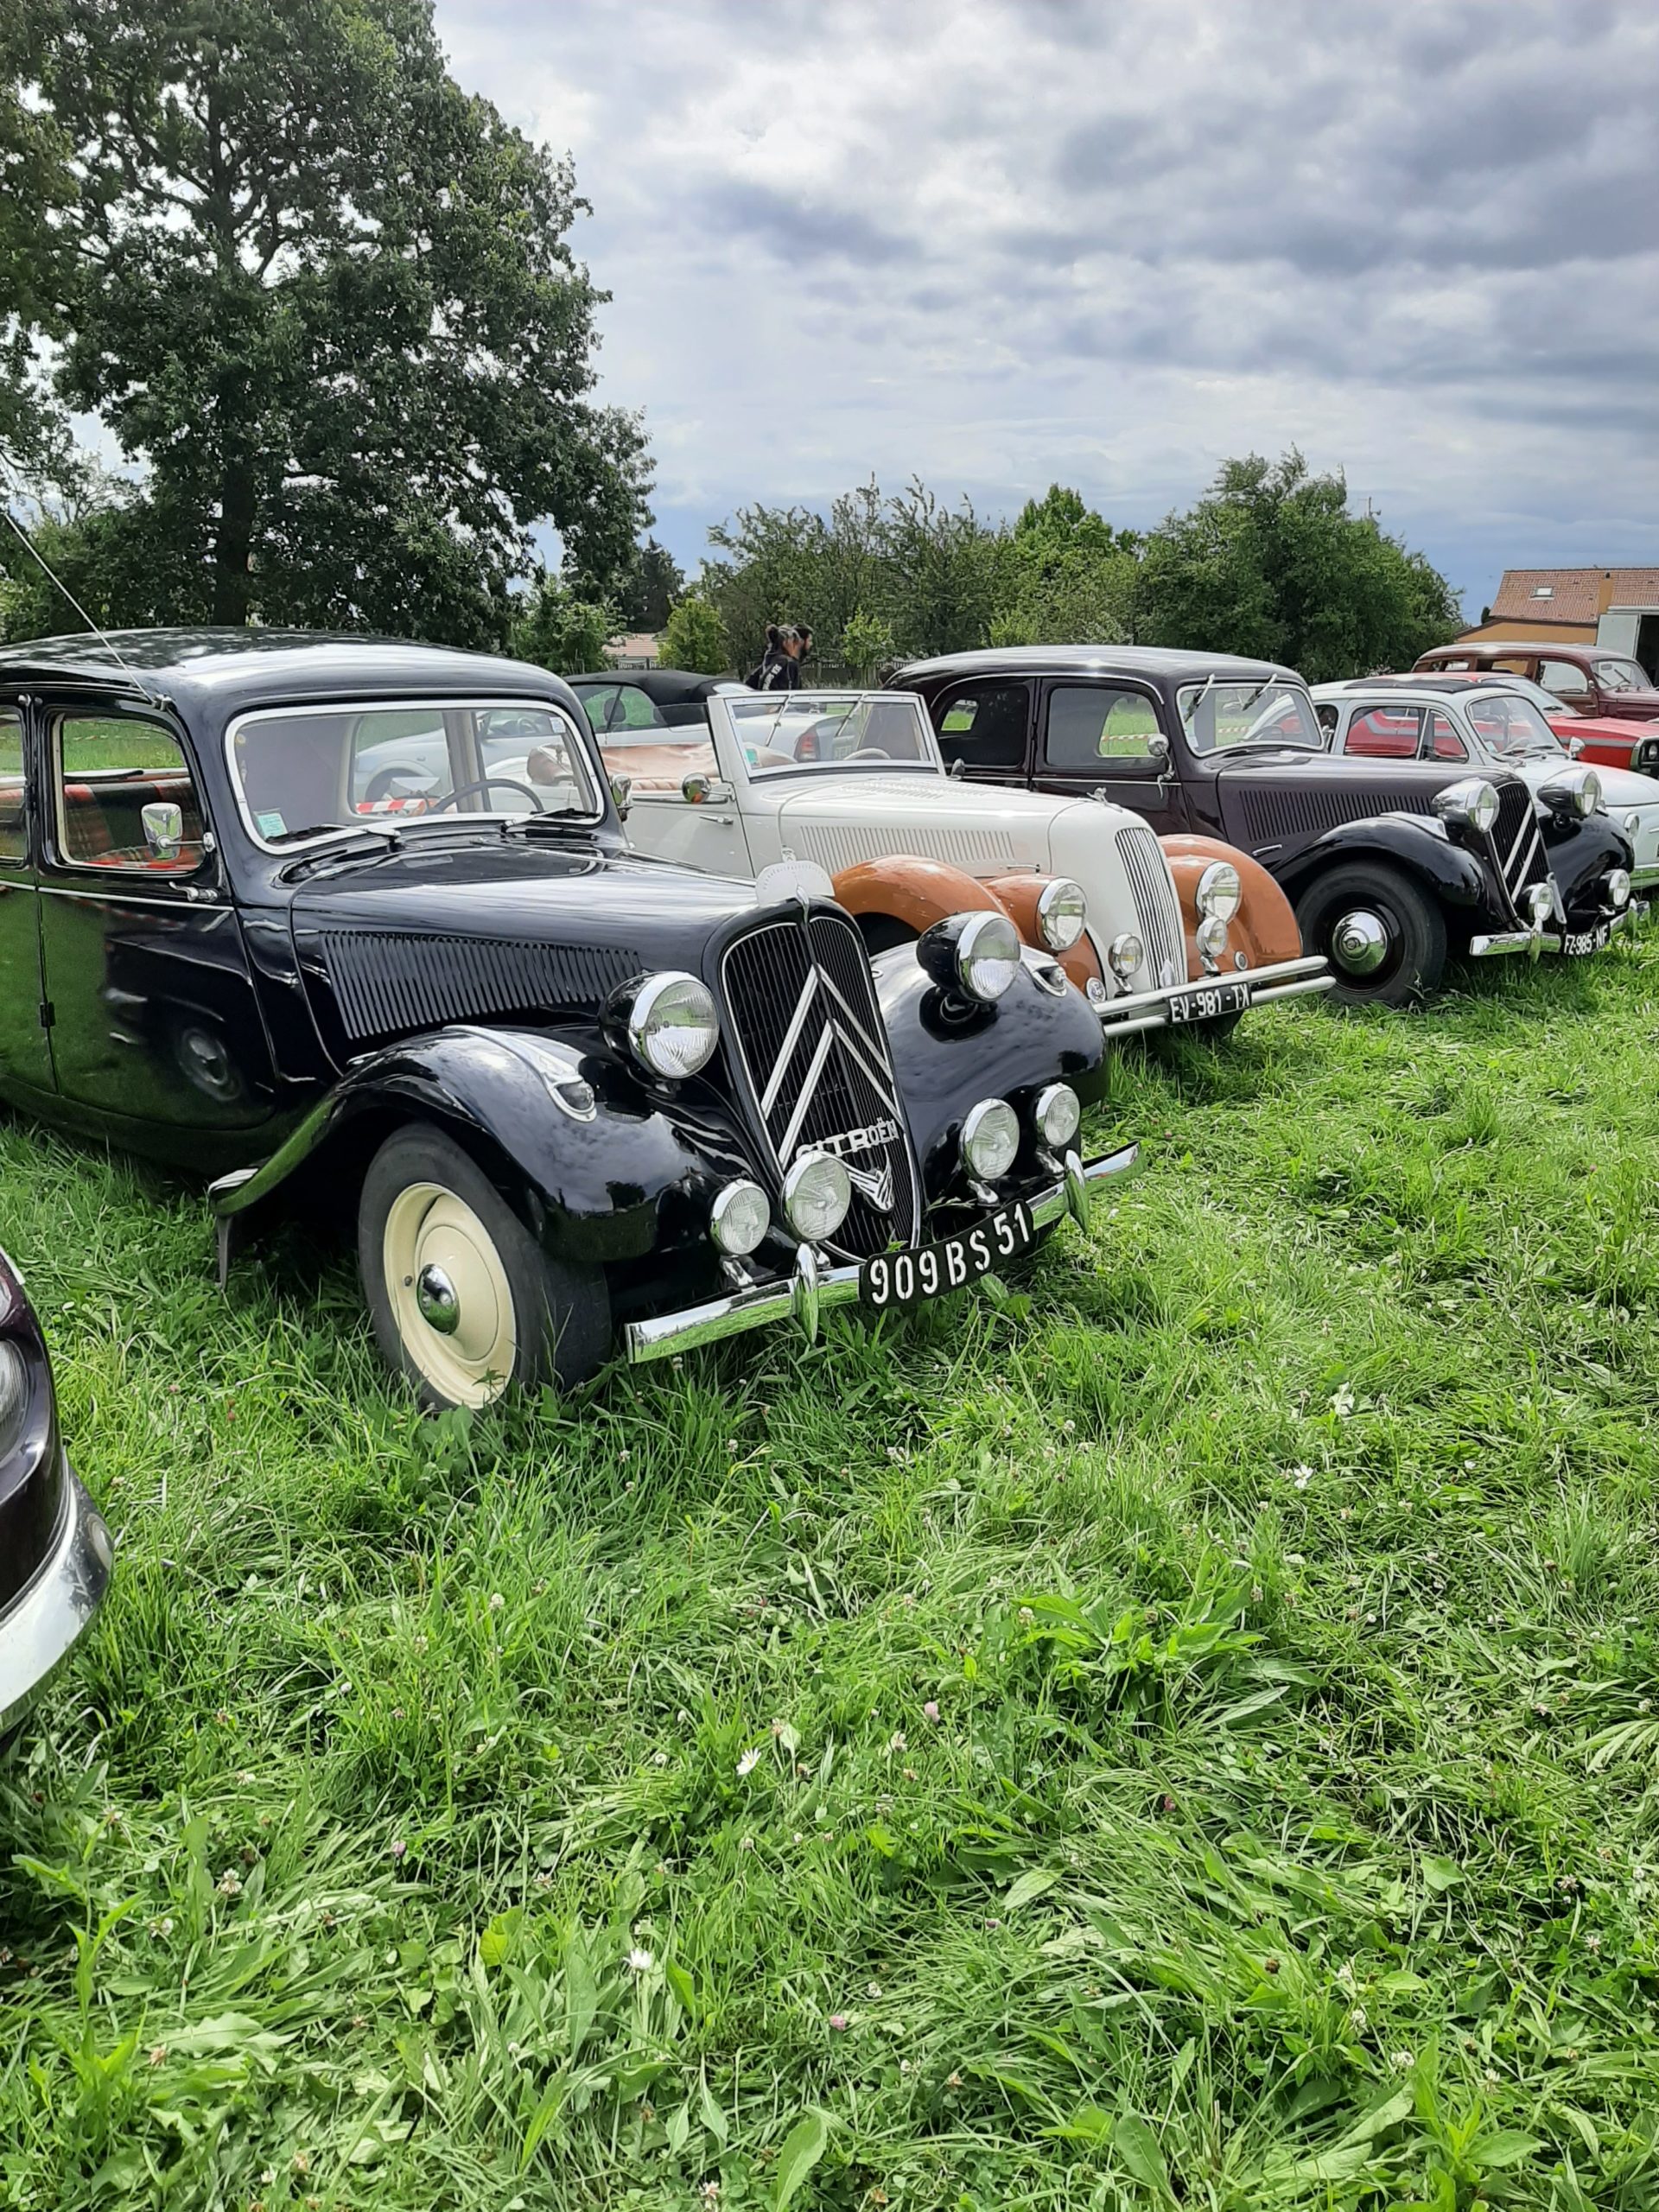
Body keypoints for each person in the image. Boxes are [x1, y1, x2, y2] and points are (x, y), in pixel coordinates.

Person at [747, 622, 812, 691]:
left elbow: (749, 684)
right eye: (792, 641)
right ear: (785, 643)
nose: (794, 645)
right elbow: (767, 681)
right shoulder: (786, 663)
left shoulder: (770, 660)